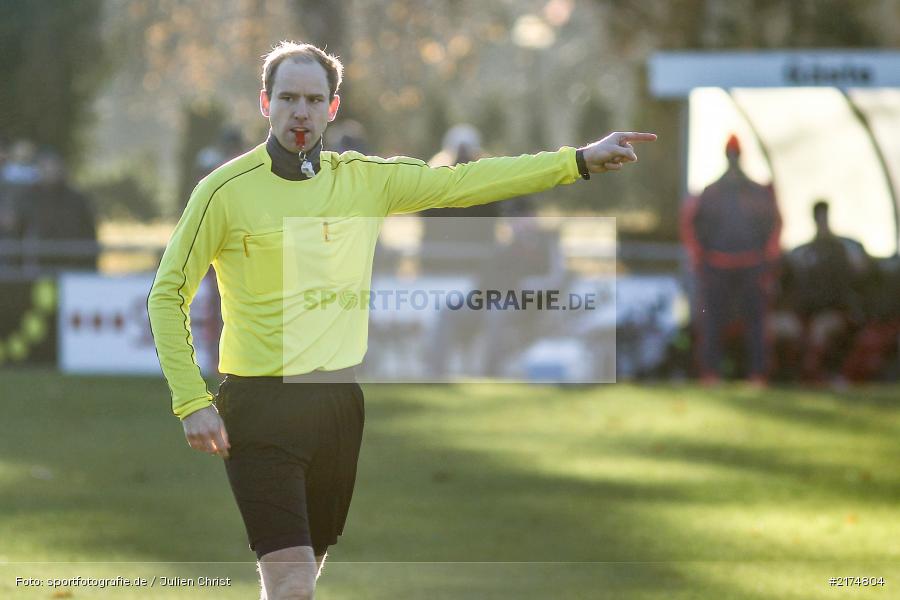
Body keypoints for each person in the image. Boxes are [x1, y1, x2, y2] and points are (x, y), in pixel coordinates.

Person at [147, 40, 655, 600]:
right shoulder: (223, 190)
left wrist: (578, 160)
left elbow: (466, 183)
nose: (301, 112)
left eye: (314, 100)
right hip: (260, 405)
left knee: (296, 582)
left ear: (332, 109)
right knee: (293, 586)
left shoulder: (366, 179)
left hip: (338, 404)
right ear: (265, 103)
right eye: (287, 97)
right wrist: (191, 400)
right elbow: (167, 293)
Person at [682, 135, 781, 385]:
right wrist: (699, 258)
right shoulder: (712, 192)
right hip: (718, 266)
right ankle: (711, 373)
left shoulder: (756, 192)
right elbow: (690, 226)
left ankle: (757, 374)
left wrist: (768, 258)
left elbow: (775, 225)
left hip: (749, 267)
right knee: (713, 323)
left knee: (755, 324)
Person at [780, 200, 871, 383]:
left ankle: (816, 378)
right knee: (786, 327)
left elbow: (857, 280)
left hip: (839, 311)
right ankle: (791, 377)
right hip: (807, 313)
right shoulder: (804, 252)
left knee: (819, 330)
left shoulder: (844, 249)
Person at [22, 150, 98, 270]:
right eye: (45, 167)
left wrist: (90, 262)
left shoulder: (76, 199)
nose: (50, 171)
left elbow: (88, 231)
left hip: (72, 264)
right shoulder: (28, 197)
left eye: (53, 167)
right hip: (40, 264)